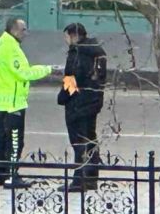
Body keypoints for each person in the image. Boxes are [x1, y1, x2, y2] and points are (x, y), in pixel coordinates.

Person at [0, 18, 53, 189]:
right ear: (14, 30)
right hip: (13, 103)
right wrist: (48, 69)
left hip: (1, 102)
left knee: (2, 139)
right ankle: (11, 176)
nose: (26, 33)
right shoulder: (11, 48)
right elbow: (24, 73)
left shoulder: (2, 43)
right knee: (15, 141)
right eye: (24, 29)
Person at [57, 23, 107, 192]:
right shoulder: (98, 52)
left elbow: (71, 79)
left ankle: (79, 180)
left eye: (67, 37)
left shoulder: (77, 52)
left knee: (78, 142)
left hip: (77, 104)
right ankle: (92, 178)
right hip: (93, 102)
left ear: (73, 36)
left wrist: (62, 97)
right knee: (91, 139)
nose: (66, 41)